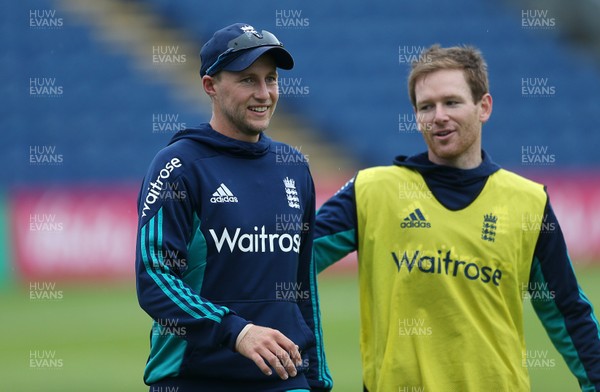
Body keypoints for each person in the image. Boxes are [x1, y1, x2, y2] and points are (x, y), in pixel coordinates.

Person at [314, 44, 600, 391]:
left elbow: (568, 312)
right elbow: (290, 257)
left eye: (451, 102)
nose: (439, 116)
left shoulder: (528, 202)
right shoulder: (372, 191)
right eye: (426, 107)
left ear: (484, 107)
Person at [135, 23, 332, 392]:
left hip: (285, 381)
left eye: (270, 79)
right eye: (247, 80)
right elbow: (154, 278)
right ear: (211, 86)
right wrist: (235, 331)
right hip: (195, 380)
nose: (264, 93)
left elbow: (303, 287)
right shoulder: (178, 166)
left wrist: (317, 378)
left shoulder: (294, 166)